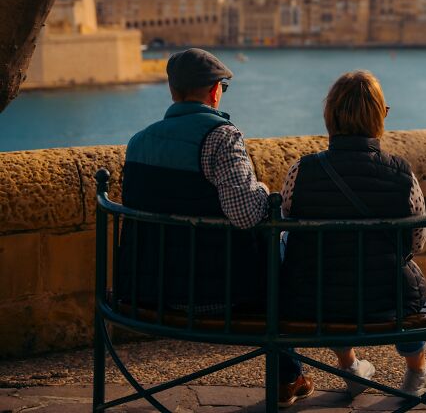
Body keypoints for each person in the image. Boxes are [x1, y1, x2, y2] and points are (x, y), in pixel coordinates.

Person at [118, 47, 314, 407]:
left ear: (173, 90)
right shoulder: (221, 138)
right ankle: (292, 371)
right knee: (283, 248)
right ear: (214, 90)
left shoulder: (138, 143)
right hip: (218, 294)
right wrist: (264, 191)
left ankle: (290, 375)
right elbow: (245, 214)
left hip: (151, 291)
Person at [280, 70, 426, 397]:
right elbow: (417, 241)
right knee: (404, 277)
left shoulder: (301, 171)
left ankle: (350, 367)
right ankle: (416, 373)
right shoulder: (401, 173)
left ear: (330, 115)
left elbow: (289, 224)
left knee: (328, 271)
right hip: (385, 298)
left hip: (315, 298)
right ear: (379, 116)